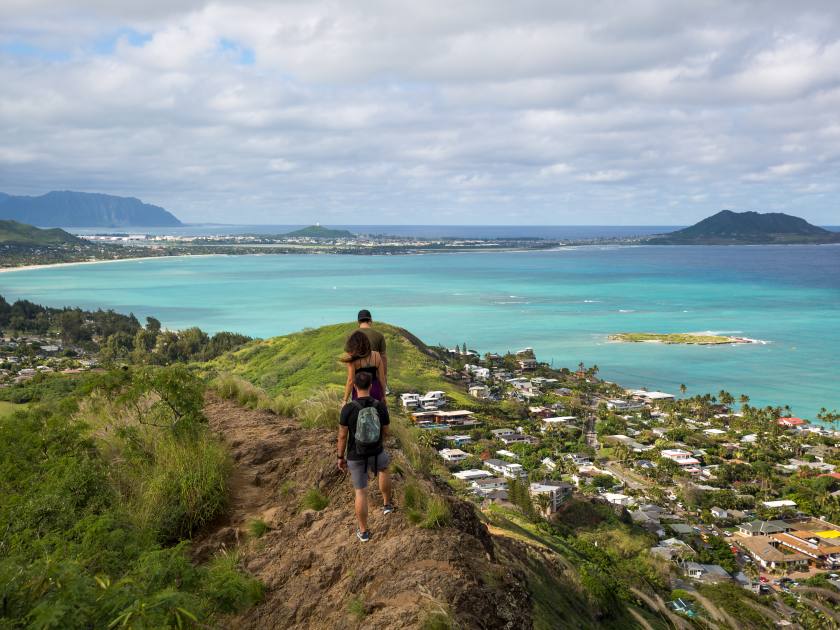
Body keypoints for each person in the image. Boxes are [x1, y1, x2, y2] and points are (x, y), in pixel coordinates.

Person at [337, 371, 394, 542]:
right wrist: (377, 443)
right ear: (370, 386)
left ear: (354, 386)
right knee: (384, 469)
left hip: (356, 455)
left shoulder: (348, 409)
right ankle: (387, 505)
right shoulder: (380, 406)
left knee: (360, 492)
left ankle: (364, 532)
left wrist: (340, 457)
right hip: (377, 451)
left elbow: (342, 436)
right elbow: (386, 431)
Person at [341, 329, 386, 403]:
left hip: (360, 391)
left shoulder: (352, 360)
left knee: (359, 412)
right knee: (376, 413)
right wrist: (383, 396)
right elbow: (382, 378)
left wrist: (345, 400)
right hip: (375, 389)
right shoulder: (377, 355)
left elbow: (351, 381)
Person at [355, 309, 387, 378]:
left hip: (357, 377)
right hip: (374, 376)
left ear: (358, 322)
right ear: (370, 321)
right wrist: (384, 375)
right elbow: (383, 357)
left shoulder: (351, 335)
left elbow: (349, 358)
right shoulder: (379, 335)